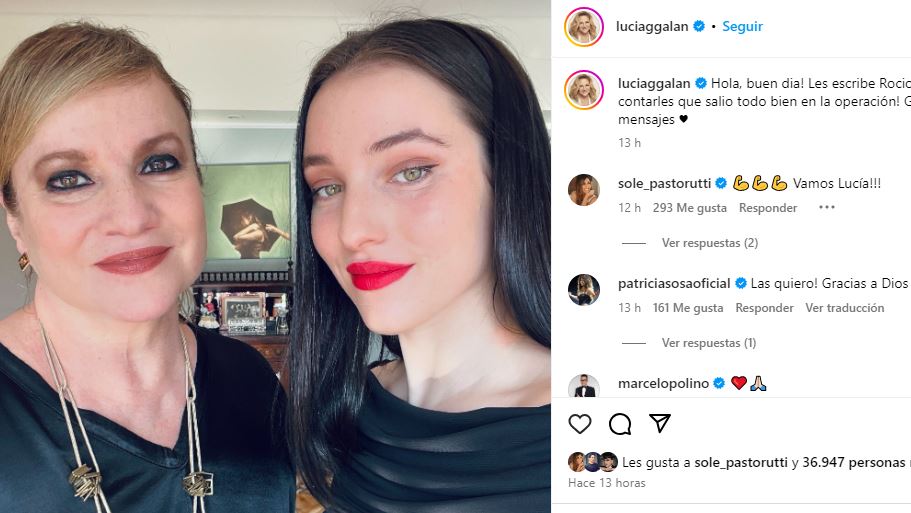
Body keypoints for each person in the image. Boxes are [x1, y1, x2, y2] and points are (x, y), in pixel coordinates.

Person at [0, 22, 293, 512]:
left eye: (159, 163)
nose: (132, 217)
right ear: (16, 219)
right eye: (69, 179)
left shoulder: (251, 380)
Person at [288, 18, 551, 513]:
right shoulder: (351, 407)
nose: (352, 230)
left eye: (411, 172)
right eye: (328, 187)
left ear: (508, 176)